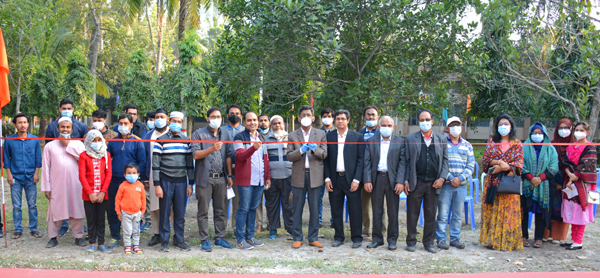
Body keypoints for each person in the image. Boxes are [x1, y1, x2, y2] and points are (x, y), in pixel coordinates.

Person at [404, 109, 449, 253]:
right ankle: (411, 241)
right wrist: (405, 180)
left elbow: (445, 162)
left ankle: (429, 242)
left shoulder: (441, 139)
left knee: (430, 214)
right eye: (422, 120)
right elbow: (405, 161)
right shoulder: (410, 138)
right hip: (415, 182)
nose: (425, 122)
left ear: (432, 121)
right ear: (418, 122)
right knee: (412, 213)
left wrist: (441, 178)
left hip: (434, 183)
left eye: (427, 119)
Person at [191, 107, 234, 252]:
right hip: (205, 179)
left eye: (218, 116)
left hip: (221, 178)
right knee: (203, 211)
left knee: (220, 210)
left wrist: (229, 175)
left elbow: (228, 155)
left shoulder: (225, 134)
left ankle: (219, 238)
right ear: (207, 118)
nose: (216, 119)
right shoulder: (198, 134)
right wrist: (211, 148)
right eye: (213, 117)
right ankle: (204, 239)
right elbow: (196, 154)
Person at [479, 113, 524, 251]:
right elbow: (486, 160)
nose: (503, 127)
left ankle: (508, 242)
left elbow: (519, 163)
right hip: (493, 181)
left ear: (511, 126)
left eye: (506, 124)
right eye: (500, 124)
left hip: (509, 182)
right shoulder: (492, 142)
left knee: (509, 212)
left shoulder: (516, 143)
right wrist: (498, 163)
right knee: (493, 209)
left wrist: (506, 167)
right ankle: (493, 241)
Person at [45, 99, 88, 237]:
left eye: (68, 127)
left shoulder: (79, 144)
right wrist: (47, 187)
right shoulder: (49, 146)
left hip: (75, 184)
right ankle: (53, 237)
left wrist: (68, 145)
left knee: (77, 210)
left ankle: (78, 236)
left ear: (72, 129)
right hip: (56, 185)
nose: (65, 129)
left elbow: (84, 161)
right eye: (62, 127)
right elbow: (46, 168)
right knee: (55, 210)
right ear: (58, 129)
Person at [153, 111, 194, 252]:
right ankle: (164, 241)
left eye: (179, 122)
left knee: (179, 212)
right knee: (164, 212)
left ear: (182, 123)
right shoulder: (160, 140)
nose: (177, 124)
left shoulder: (186, 140)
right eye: (174, 121)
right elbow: (155, 165)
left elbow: (190, 164)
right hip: (165, 181)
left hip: (182, 182)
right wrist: (157, 185)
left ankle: (179, 240)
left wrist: (190, 184)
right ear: (169, 121)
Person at [287, 105, 327, 249]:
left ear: (313, 117)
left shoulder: (320, 134)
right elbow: (289, 156)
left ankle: (313, 237)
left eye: (308, 115)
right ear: (299, 118)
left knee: (314, 208)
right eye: (303, 115)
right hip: (299, 176)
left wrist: (314, 149)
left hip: (315, 176)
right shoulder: (292, 135)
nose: (305, 118)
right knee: (297, 208)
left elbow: (324, 154)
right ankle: (297, 237)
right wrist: (301, 150)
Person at [363, 116, 406, 251]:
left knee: (392, 211)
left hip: (393, 180)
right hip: (377, 179)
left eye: (389, 125)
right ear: (379, 127)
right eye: (384, 125)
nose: (386, 127)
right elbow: (367, 162)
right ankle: (377, 239)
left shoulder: (400, 142)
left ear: (393, 127)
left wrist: (400, 181)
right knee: (377, 210)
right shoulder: (371, 141)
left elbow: (402, 163)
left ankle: (392, 240)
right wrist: (367, 180)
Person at [324, 110, 365, 248]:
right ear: (335, 121)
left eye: (343, 119)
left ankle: (357, 237)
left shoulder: (357, 137)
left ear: (348, 120)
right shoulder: (329, 136)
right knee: (336, 209)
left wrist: (357, 179)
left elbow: (361, 159)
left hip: (352, 180)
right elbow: (326, 159)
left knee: (355, 210)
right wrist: (327, 178)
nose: (340, 121)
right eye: (338, 119)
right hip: (335, 179)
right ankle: (339, 237)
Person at [106, 114, 146, 249]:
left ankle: (131, 239)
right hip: (115, 181)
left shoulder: (137, 141)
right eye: (120, 123)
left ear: (131, 125)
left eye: (125, 123)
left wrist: (137, 178)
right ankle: (115, 236)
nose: (123, 126)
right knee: (113, 209)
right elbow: (107, 159)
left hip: (132, 183)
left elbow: (142, 161)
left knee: (132, 210)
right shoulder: (112, 141)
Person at [233, 111, 271, 250]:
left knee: (253, 208)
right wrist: (252, 148)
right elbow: (241, 156)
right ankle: (240, 239)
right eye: (249, 120)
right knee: (243, 208)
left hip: (260, 180)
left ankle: (250, 236)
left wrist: (268, 177)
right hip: (245, 180)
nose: (253, 122)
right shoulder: (239, 137)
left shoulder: (262, 137)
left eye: (255, 120)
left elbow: (265, 159)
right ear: (244, 123)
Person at [435, 117, 475, 250]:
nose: (455, 128)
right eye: (452, 125)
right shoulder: (441, 143)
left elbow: (471, 166)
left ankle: (455, 238)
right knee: (443, 214)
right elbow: (439, 164)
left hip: (461, 185)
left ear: (461, 128)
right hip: (446, 184)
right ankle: (441, 239)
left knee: (457, 215)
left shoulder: (467, 145)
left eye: (457, 125)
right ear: (447, 128)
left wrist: (460, 178)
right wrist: (451, 177)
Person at [3, 113, 42, 239]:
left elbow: (37, 158)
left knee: (32, 204)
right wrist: (9, 174)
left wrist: (36, 173)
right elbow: (6, 159)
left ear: (28, 123)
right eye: (19, 122)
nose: (22, 125)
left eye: (25, 122)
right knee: (16, 205)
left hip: (31, 176)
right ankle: (18, 229)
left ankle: (33, 228)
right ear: (15, 124)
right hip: (16, 176)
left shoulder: (34, 139)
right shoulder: (9, 140)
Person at [520, 123, 558, 248]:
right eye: (534, 133)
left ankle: (538, 238)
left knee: (541, 212)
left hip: (544, 186)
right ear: (530, 135)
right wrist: (531, 178)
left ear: (545, 134)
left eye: (540, 133)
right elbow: (520, 164)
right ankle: (524, 236)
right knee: (523, 211)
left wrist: (539, 178)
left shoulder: (550, 148)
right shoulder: (523, 147)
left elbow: (553, 167)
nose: (537, 135)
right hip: (527, 185)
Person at [561, 121, 597, 250]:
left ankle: (579, 241)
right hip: (570, 184)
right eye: (576, 129)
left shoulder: (590, 147)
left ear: (587, 132)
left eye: (582, 130)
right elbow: (565, 163)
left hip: (582, 184)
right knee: (572, 211)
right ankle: (573, 238)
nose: (578, 132)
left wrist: (574, 175)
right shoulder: (571, 146)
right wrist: (569, 174)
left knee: (581, 211)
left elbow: (587, 165)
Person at [78, 130, 112, 253]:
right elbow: (82, 176)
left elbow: (108, 174)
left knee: (101, 219)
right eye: (93, 140)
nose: (96, 142)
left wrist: (103, 192)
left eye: (99, 140)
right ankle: (92, 242)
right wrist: (90, 193)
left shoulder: (106, 155)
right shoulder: (83, 155)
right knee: (91, 218)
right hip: (89, 195)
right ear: (88, 141)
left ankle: (101, 243)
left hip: (103, 195)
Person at [142, 108, 171, 246]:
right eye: (157, 117)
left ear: (167, 119)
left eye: (162, 116)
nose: (159, 119)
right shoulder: (148, 135)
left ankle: (171, 233)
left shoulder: (172, 134)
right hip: (153, 175)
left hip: (171, 175)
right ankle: (156, 233)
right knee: (155, 206)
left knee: (170, 205)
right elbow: (145, 156)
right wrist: (145, 176)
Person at [544, 118, 576, 243]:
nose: (563, 131)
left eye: (566, 128)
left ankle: (559, 236)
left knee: (564, 208)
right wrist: (554, 183)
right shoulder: (551, 144)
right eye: (560, 128)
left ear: (571, 129)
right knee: (548, 206)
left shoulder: (574, 146)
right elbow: (546, 163)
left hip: (568, 182)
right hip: (551, 181)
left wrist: (566, 182)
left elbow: (575, 165)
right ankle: (545, 234)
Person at [264, 115, 294, 240]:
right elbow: (264, 159)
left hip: (289, 176)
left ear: (284, 124)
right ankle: (273, 229)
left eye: (279, 123)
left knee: (289, 204)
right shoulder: (265, 139)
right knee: (272, 204)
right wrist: (267, 177)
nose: (277, 125)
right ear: (271, 126)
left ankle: (290, 228)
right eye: (275, 123)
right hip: (272, 178)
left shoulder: (291, 138)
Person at [359, 105, 384, 238]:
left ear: (377, 117)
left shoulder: (384, 133)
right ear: (365, 117)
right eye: (368, 115)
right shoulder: (359, 135)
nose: (371, 117)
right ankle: (365, 229)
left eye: (373, 115)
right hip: (364, 174)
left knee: (381, 205)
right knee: (365, 205)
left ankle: (382, 230)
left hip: (380, 174)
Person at [115, 163, 146, 255]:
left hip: (137, 213)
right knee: (127, 230)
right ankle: (127, 246)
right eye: (129, 173)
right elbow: (118, 199)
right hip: (125, 213)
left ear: (138, 174)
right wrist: (118, 211)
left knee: (136, 230)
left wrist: (143, 211)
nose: (132, 175)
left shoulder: (140, 186)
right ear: (125, 175)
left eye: (134, 173)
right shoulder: (122, 186)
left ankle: (136, 246)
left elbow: (143, 199)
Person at [224, 104, 245, 230]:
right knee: (223, 202)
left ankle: (236, 229)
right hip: (223, 172)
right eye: (232, 113)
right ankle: (221, 230)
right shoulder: (221, 130)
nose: (235, 115)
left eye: (237, 113)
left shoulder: (245, 131)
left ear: (241, 116)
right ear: (227, 115)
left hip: (240, 172)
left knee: (238, 202)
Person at [319, 108, 335, 227]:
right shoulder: (316, 132)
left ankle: (334, 220)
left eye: (329, 116)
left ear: (333, 118)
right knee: (318, 196)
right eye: (324, 116)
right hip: (319, 167)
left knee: (334, 196)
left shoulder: (337, 131)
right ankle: (318, 220)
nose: (327, 118)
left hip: (334, 168)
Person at [256, 113, 271, 233]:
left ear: (269, 123)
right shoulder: (255, 136)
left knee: (270, 201)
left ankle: (271, 223)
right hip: (258, 172)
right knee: (257, 201)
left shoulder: (273, 136)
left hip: (271, 173)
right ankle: (258, 224)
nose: (263, 123)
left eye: (265, 120)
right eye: (261, 120)